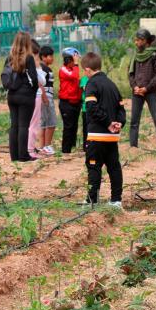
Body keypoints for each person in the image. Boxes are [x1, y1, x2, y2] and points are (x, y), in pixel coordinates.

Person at [82, 52, 126, 208]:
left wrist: (107, 122)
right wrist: (119, 123)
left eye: (84, 71)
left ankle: (91, 201)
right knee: (114, 167)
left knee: (94, 167)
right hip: (112, 137)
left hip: (97, 135)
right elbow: (121, 109)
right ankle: (116, 200)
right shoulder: (112, 85)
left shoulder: (91, 84)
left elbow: (91, 108)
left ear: (87, 70)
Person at [128, 28, 156, 148]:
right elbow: (130, 73)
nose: (137, 42)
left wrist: (146, 88)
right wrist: (135, 87)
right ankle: (133, 147)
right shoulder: (135, 54)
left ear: (147, 41)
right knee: (134, 121)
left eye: (139, 40)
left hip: (151, 92)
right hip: (137, 92)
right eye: (136, 40)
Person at [4, 32, 39, 162]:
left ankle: (14, 156)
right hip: (26, 95)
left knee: (14, 125)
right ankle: (23, 155)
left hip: (12, 95)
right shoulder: (28, 58)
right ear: (27, 42)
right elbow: (34, 78)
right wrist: (33, 90)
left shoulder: (9, 58)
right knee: (24, 125)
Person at [58, 47, 82, 153]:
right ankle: (65, 150)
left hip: (76, 102)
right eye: (74, 60)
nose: (76, 63)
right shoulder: (64, 69)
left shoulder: (73, 69)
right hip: (66, 102)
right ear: (69, 60)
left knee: (74, 125)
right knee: (68, 126)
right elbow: (75, 76)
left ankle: (72, 146)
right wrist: (76, 64)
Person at [27, 39, 47, 159]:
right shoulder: (34, 63)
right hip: (36, 95)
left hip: (26, 95)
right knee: (34, 124)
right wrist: (38, 64)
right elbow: (42, 81)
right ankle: (30, 150)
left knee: (25, 123)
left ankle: (26, 148)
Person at [38, 46, 56, 155]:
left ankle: (42, 146)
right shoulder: (43, 69)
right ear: (43, 57)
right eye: (50, 56)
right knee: (51, 121)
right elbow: (40, 83)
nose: (52, 58)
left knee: (44, 122)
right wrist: (44, 96)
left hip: (46, 95)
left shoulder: (46, 68)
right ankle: (47, 145)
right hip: (46, 95)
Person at [80, 67, 89, 151]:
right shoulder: (84, 79)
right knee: (86, 128)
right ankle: (85, 145)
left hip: (94, 108)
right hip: (85, 108)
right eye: (86, 70)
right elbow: (86, 89)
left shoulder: (95, 79)